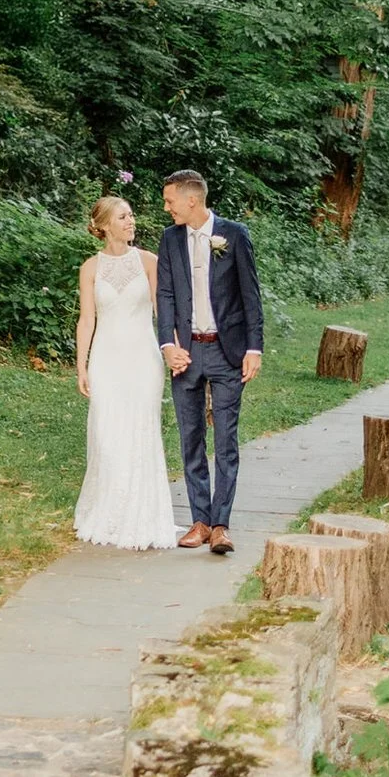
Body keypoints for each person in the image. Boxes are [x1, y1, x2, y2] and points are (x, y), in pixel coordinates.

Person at [155, 170, 264, 555]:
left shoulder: (233, 235)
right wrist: (167, 344)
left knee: (226, 440)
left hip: (227, 350)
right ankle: (199, 521)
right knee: (190, 438)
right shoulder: (169, 239)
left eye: (170, 201)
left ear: (192, 200)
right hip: (187, 352)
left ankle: (221, 524)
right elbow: (165, 294)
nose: (166, 207)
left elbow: (251, 296)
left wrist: (255, 348)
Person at [71, 195, 180, 549]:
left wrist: (174, 349)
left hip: (142, 359)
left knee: (139, 429)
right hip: (105, 359)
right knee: (106, 430)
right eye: (122, 217)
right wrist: (81, 365)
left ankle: (141, 515)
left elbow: (164, 312)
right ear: (103, 225)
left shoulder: (149, 261)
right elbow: (87, 319)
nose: (130, 222)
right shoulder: (90, 268)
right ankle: (109, 510)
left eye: (132, 216)